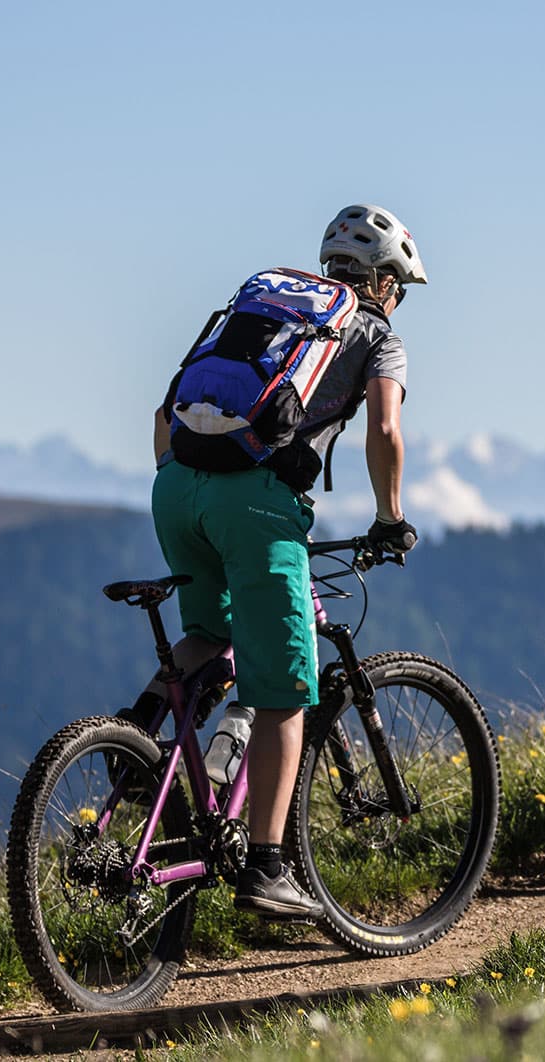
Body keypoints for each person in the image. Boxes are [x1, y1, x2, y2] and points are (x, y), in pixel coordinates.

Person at [140, 204, 424, 918]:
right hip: (258, 503)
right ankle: (266, 866)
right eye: (399, 286)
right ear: (387, 282)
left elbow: (163, 414)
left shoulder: (264, 308)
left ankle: (137, 733)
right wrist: (390, 520)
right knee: (286, 689)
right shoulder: (377, 335)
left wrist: (196, 492)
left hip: (175, 483)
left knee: (212, 629)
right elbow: (385, 429)